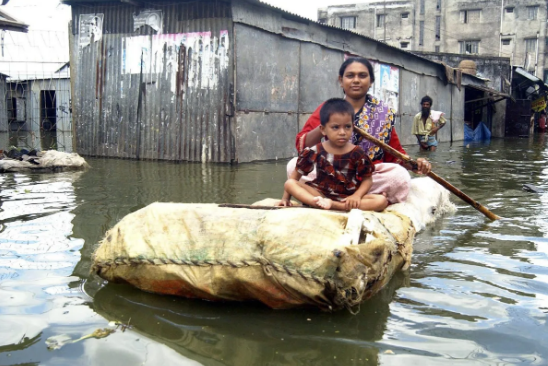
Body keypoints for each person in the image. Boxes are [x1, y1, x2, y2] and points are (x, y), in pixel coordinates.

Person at [288, 57, 432, 205]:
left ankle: (335, 199)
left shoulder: (383, 113)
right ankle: (351, 202)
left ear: (371, 81)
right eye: (350, 76)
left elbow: (395, 155)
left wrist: (416, 164)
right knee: (293, 165)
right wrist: (324, 126)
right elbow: (302, 146)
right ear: (341, 80)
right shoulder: (329, 108)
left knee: (399, 176)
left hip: (367, 178)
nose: (356, 80)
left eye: (362, 76)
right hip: (329, 174)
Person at [280, 98, 388, 211]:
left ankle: (334, 205)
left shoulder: (357, 152)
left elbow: (367, 179)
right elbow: (295, 176)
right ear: (323, 130)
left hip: (347, 197)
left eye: (347, 127)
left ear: (353, 127)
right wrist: (285, 199)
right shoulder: (314, 151)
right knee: (290, 184)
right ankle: (316, 203)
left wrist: (357, 196)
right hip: (319, 194)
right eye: (335, 127)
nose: (342, 132)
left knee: (381, 201)